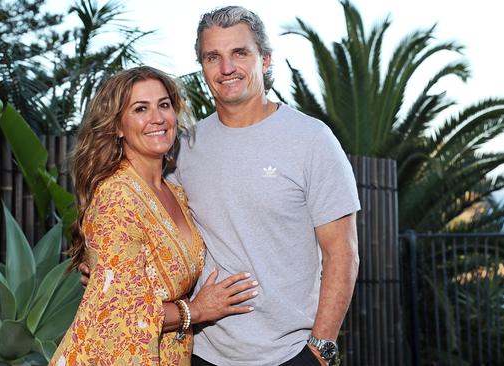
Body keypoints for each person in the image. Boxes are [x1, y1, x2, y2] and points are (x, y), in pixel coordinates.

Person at [81, 6, 360, 365]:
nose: (226, 68)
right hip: (200, 353)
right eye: (213, 56)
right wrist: (106, 268)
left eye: (239, 53)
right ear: (203, 67)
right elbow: (146, 225)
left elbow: (343, 253)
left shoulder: (312, 140)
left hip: (289, 354)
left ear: (265, 60)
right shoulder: (183, 147)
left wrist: (321, 349)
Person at [51, 66, 258, 366]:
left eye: (164, 105)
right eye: (140, 109)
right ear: (117, 126)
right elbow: (121, 312)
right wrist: (196, 310)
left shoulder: (175, 193)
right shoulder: (117, 196)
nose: (158, 118)